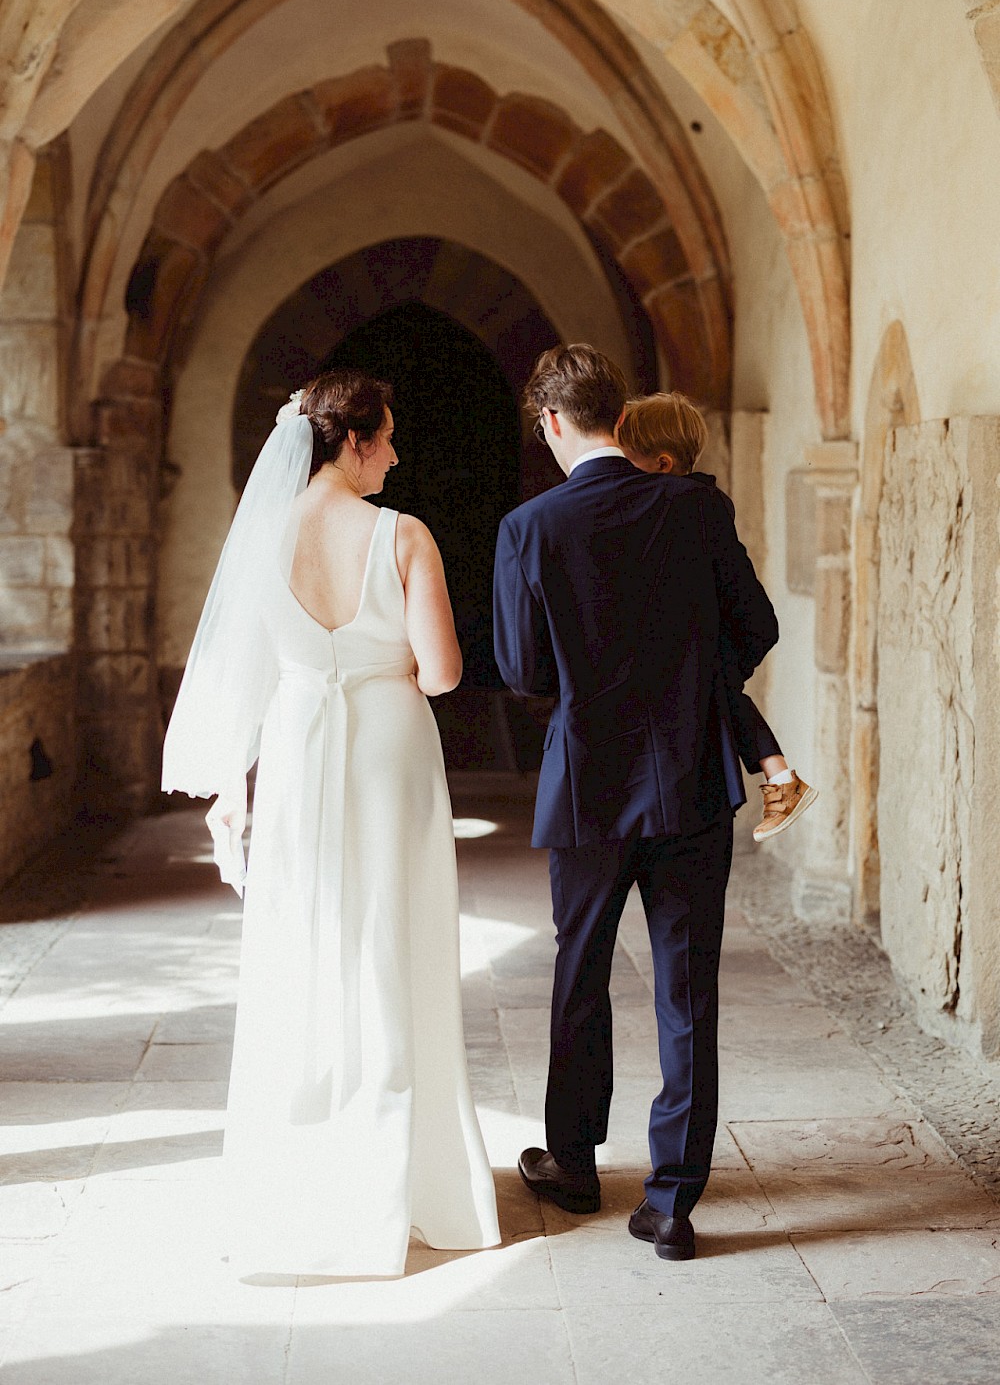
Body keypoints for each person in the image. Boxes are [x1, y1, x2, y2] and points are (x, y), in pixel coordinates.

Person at [162, 369, 499, 1278]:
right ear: (351, 440)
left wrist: (242, 779)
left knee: (306, 942)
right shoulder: (403, 535)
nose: (394, 452)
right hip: (389, 741)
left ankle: (299, 1179)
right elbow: (441, 672)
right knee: (397, 940)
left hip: (302, 740)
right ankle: (409, 1185)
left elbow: (243, 667)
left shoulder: (261, 535)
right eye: (386, 437)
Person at [493, 344, 778, 1262]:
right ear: (622, 416)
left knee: (581, 971)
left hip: (586, 783)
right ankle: (672, 1201)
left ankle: (573, 1163)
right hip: (692, 775)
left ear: (550, 425)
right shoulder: (696, 504)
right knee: (687, 984)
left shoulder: (530, 527)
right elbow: (758, 624)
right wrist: (691, 679)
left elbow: (525, 670)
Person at [617, 391, 818, 842]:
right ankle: (780, 776)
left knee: (715, 682)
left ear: (663, 464)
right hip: (697, 643)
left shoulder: (692, 506)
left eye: (628, 460)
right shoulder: (696, 501)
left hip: (695, 643)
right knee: (720, 685)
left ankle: (782, 777)